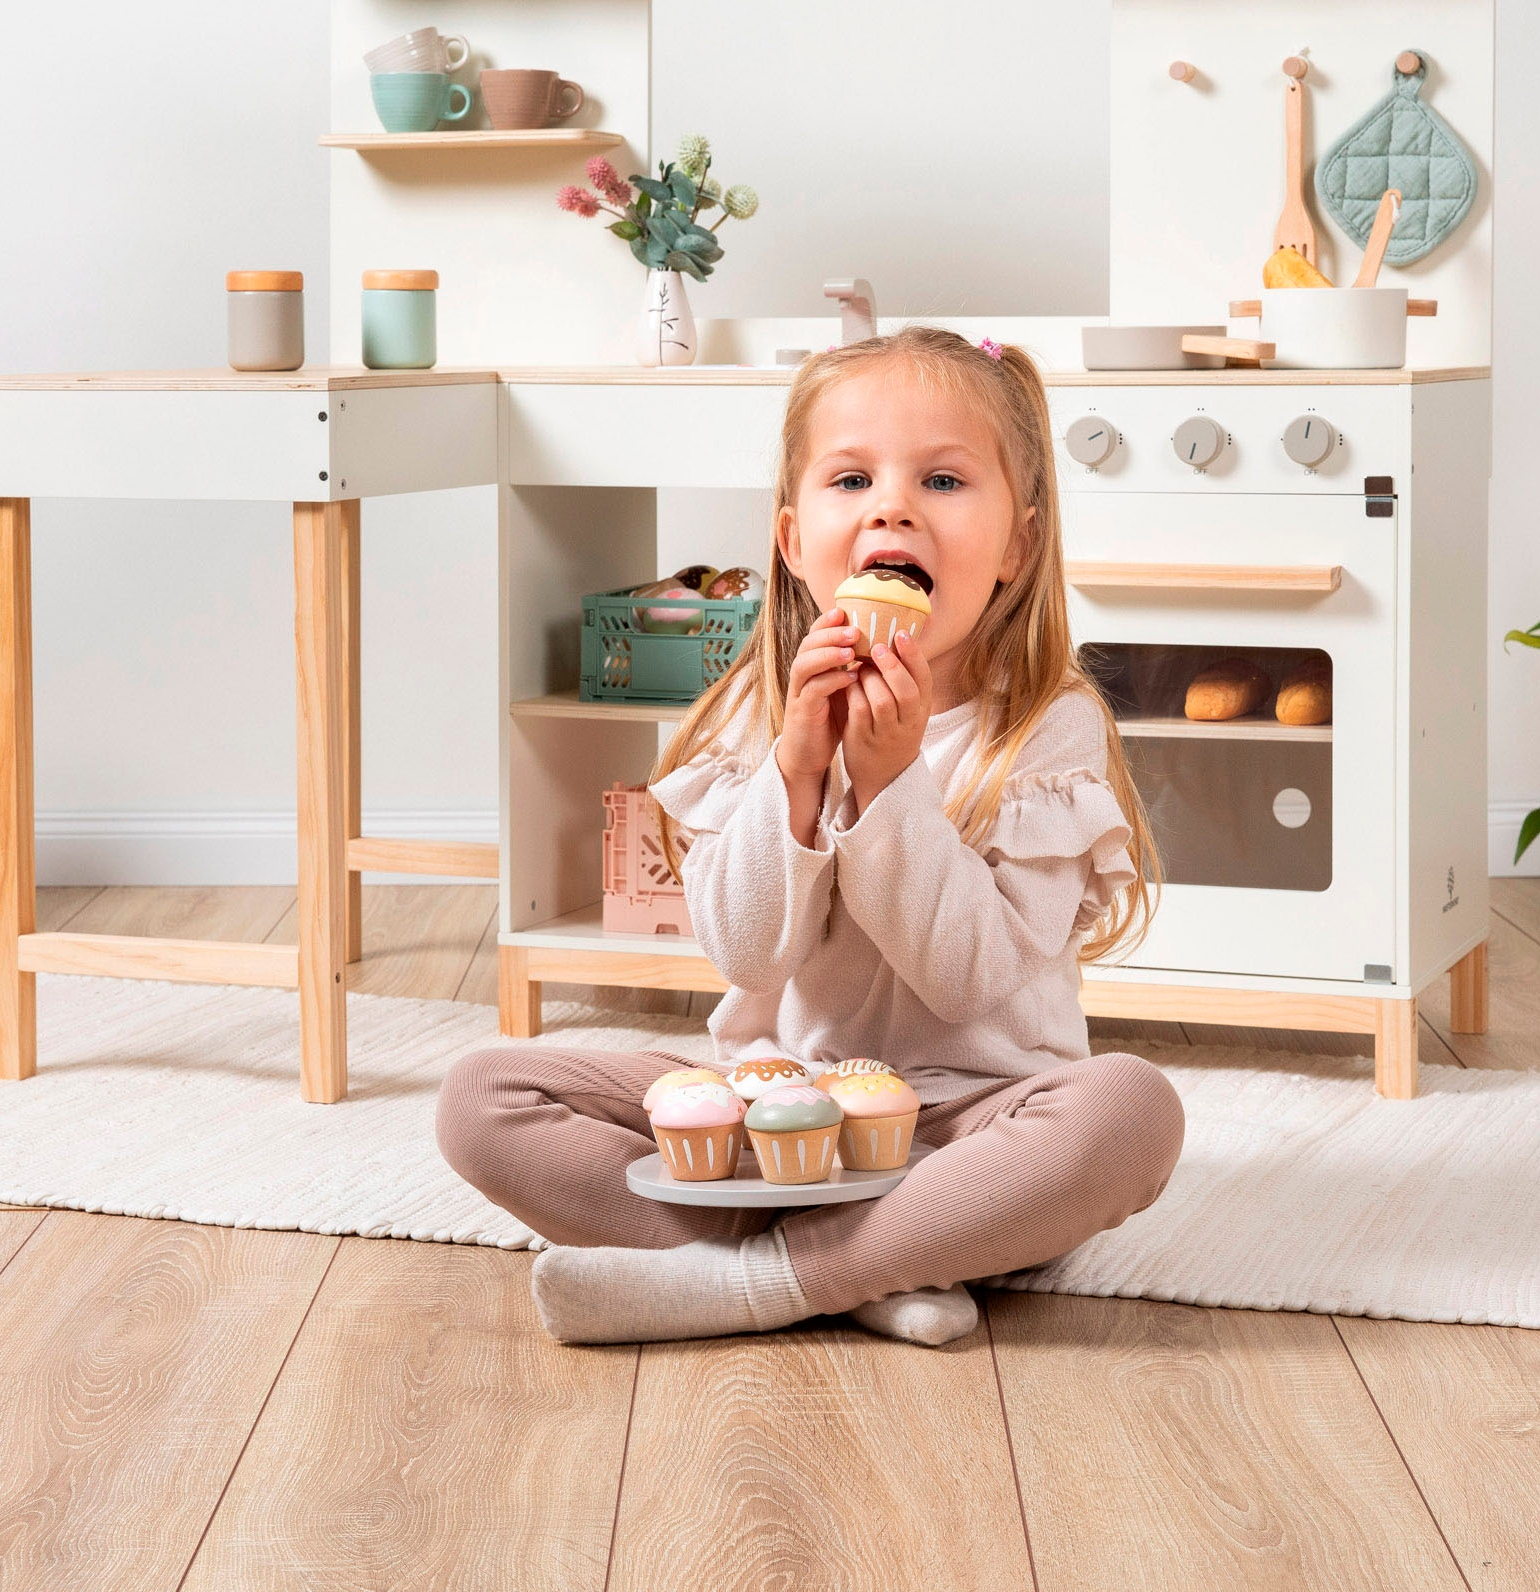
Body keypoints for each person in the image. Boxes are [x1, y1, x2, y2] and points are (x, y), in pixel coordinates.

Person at [436, 327, 1185, 1346]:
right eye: (851, 479)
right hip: (779, 1116)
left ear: (1016, 544)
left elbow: (966, 980)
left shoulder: (1046, 728)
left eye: (944, 480)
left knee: (1130, 1111)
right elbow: (745, 954)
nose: (892, 506)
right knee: (485, 1095)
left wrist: (888, 785)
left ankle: (760, 1281)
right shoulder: (762, 711)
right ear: (793, 542)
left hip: (968, 1131)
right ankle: (878, 1263)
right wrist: (796, 771)